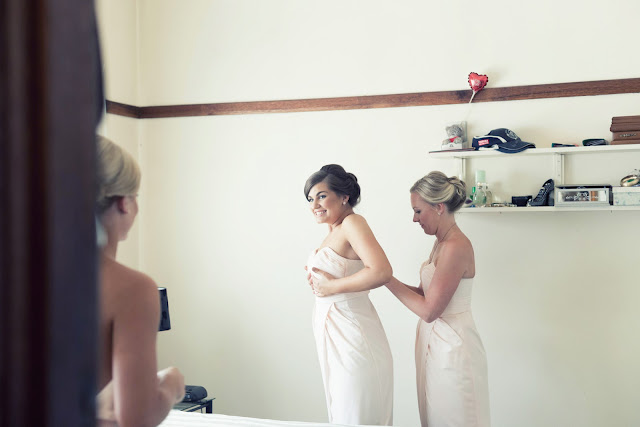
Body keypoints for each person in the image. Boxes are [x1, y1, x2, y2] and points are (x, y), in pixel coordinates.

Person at [385, 171, 490, 427]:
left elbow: (430, 311)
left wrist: (385, 278)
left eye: (418, 211)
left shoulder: (455, 246)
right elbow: (424, 294)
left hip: (452, 344)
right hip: (434, 341)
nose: (414, 218)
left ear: (439, 207)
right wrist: (384, 279)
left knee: (454, 417)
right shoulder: (440, 242)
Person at [95, 135, 185, 426]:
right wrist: (171, 383)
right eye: (135, 196)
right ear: (124, 203)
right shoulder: (132, 289)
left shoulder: (19, 278)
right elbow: (136, 418)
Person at [304, 164, 394, 426]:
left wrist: (331, 287)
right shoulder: (334, 230)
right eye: (310, 199)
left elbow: (382, 271)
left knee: (355, 413)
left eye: (321, 196)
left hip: (353, 335)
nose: (314, 205)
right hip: (334, 334)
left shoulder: (353, 223)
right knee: (342, 413)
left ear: (344, 196)